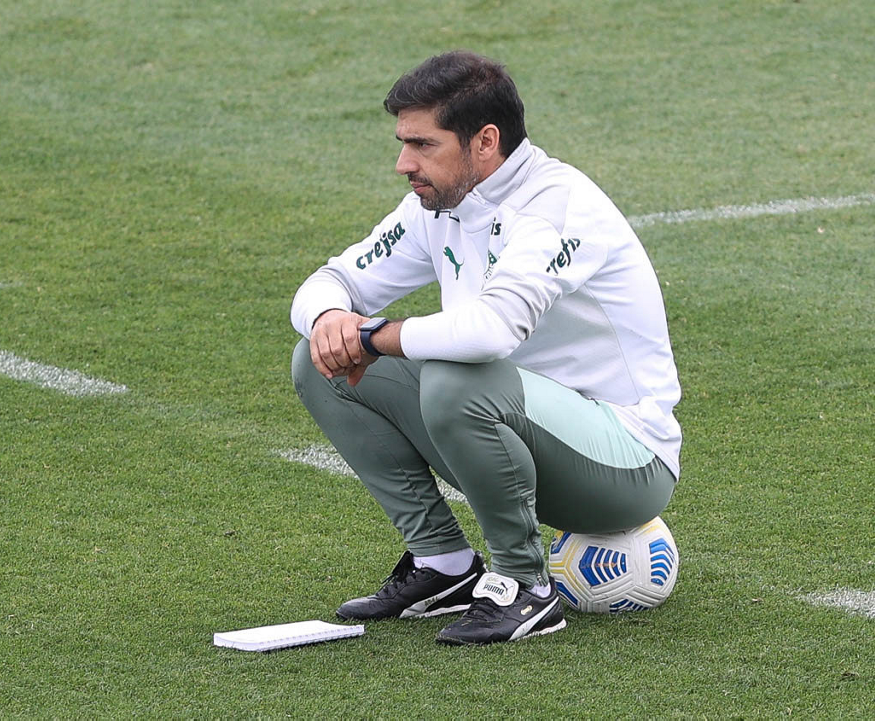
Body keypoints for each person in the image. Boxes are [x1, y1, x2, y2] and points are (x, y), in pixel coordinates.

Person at [290, 51, 682, 646]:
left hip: (627, 464)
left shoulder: (555, 207)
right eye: (403, 143)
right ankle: (443, 564)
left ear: (485, 141)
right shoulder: (439, 203)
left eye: (422, 144)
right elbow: (331, 281)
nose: (403, 163)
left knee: (458, 377)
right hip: (513, 436)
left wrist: (371, 334)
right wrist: (330, 321)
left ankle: (525, 587)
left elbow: (492, 332)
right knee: (321, 361)